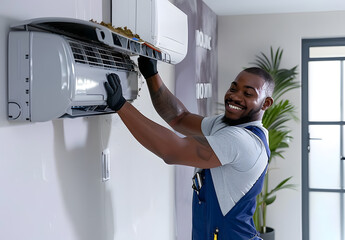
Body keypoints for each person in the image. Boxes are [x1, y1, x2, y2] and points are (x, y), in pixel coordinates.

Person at [104, 56, 274, 240]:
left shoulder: (242, 141)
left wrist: (122, 106)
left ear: (266, 103)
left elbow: (171, 151)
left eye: (248, 94)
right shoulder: (226, 125)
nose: (235, 96)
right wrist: (152, 74)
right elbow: (180, 118)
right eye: (233, 88)